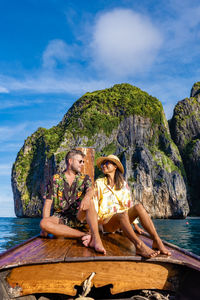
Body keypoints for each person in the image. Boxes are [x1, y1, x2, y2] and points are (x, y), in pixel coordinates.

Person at [82, 155, 171, 258]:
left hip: (122, 218)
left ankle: (157, 240)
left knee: (138, 207)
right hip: (106, 222)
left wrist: (136, 225)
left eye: (107, 163)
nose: (103, 165)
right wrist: (94, 228)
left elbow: (129, 205)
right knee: (122, 214)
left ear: (115, 166)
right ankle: (139, 245)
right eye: (103, 164)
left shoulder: (123, 185)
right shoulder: (99, 183)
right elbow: (95, 205)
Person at [40, 149, 106, 254]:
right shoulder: (55, 179)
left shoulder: (85, 178)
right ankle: (83, 235)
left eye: (83, 162)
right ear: (70, 161)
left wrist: (87, 197)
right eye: (80, 161)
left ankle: (96, 240)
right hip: (60, 217)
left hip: (78, 215)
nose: (83, 164)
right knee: (44, 223)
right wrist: (45, 230)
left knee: (90, 202)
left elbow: (90, 190)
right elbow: (48, 203)